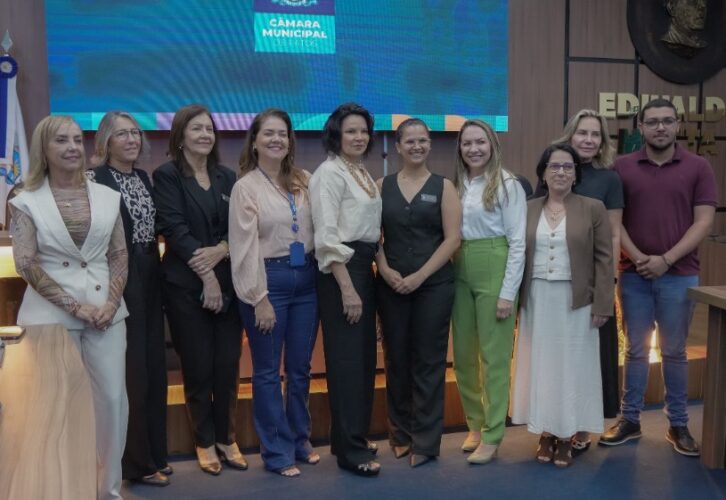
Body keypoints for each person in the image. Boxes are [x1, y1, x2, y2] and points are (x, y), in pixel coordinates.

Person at [9, 115, 129, 499]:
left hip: (107, 315)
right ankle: (62, 490)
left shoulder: (107, 196)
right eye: (61, 140)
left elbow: (119, 254)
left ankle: (107, 490)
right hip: (50, 318)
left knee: (112, 403)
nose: (73, 147)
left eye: (77, 139)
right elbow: (26, 263)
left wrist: (110, 303)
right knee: (57, 410)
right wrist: (77, 308)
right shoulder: (24, 199)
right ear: (43, 148)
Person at [599, 98, 717, 456]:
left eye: (667, 121)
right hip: (633, 276)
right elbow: (615, 222)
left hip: (680, 276)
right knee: (635, 350)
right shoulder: (622, 167)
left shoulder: (698, 167)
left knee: (674, 352)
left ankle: (678, 424)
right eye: (652, 122)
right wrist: (638, 258)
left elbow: (703, 222)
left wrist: (666, 260)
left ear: (677, 124)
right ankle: (630, 420)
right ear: (641, 127)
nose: (660, 127)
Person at [153, 104, 245, 475]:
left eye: (209, 129)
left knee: (227, 366)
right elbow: (174, 230)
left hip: (229, 286)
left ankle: (226, 437)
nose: (205, 135)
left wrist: (223, 249)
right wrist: (207, 278)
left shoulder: (227, 177)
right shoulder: (167, 176)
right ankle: (204, 441)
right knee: (198, 366)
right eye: (196, 129)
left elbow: (239, 228)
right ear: (180, 136)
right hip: (185, 288)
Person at [510, 143, 613, 468]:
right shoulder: (528, 208)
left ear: (576, 174)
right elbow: (516, 253)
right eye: (554, 166)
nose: (561, 172)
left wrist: (603, 303)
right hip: (537, 299)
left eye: (568, 167)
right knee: (542, 367)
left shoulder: (593, 207)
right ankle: (545, 432)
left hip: (577, 300)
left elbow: (604, 259)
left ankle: (568, 434)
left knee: (573, 368)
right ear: (542, 173)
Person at [230, 109, 319, 477]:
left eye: (282, 134)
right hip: (269, 281)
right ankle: (277, 452)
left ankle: (299, 439)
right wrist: (259, 297)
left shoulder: (304, 179)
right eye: (268, 133)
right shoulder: (245, 187)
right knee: (267, 372)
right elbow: (244, 247)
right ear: (254, 141)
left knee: (300, 369)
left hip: (307, 279)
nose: (276, 140)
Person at [89, 111, 170, 486]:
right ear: (105, 141)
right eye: (122, 134)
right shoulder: (95, 179)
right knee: (133, 371)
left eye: (135, 133)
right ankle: (136, 463)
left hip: (151, 272)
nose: (132, 139)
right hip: (120, 277)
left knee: (154, 367)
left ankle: (155, 454)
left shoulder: (142, 177)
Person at [375, 118, 461, 467]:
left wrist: (420, 276)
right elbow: (372, 237)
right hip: (391, 286)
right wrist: (385, 270)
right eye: (409, 141)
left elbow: (453, 239)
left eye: (422, 140)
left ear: (429, 144)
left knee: (429, 362)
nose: (417, 146)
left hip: (434, 287)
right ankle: (400, 435)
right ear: (397, 146)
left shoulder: (444, 187)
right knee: (396, 359)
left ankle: (425, 442)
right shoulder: (381, 186)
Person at [538, 109, 623, 453]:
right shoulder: (553, 168)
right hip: (552, 287)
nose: (588, 140)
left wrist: (607, 285)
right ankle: (551, 423)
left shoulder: (609, 180)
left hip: (590, 287)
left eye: (595, 134)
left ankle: (583, 428)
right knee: (554, 358)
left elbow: (613, 236)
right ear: (570, 135)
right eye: (582, 133)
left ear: (602, 141)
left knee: (589, 360)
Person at [309, 102, 382, 476]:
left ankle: (349, 438)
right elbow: (326, 236)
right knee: (347, 363)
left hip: (362, 267)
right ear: (335, 134)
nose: (359, 137)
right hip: (341, 271)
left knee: (363, 360)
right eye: (351, 130)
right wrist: (347, 288)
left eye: (364, 131)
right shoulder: (329, 173)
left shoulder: (360, 171)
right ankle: (351, 452)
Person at [451, 119, 526, 464]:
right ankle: (475, 425)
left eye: (480, 142)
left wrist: (508, 293)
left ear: (492, 144)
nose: (474, 149)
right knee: (463, 356)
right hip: (460, 265)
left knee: (494, 357)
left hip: (495, 262)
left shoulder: (507, 184)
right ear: (460, 148)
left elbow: (518, 242)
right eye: (467, 143)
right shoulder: (457, 184)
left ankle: (494, 433)